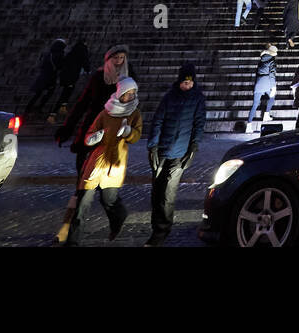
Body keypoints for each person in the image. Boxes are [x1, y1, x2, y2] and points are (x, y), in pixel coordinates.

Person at [62, 76, 142, 245]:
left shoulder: (134, 113)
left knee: (109, 200)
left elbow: (136, 136)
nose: (131, 96)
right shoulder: (105, 112)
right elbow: (89, 134)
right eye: (128, 93)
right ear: (120, 93)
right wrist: (93, 137)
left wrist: (128, 131)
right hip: (96, 162)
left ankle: (119, 217)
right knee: (82, 205)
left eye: (134, 93)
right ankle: (72, 242)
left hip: (115, 163)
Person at [143, 62, 204, 247]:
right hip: (162, 151)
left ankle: (162, 229)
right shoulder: (169, 97)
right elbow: (158, 120)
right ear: (179, 82)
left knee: (168, 193)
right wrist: (152, 146)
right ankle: (157, 225)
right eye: (184, 82)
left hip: (180, 153)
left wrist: (193, 146)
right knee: (157, 191)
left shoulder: (198, 99)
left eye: (190, 82)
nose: (187, 85)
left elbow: (199, 124)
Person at [56, 45, 132, 176]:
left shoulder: (129, 79)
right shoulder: (98, 77)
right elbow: (83, 102)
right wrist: (68, 127)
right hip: (95, 119)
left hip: (115, 121)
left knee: (110, 157)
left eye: (122, 58)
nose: (119, 61)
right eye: (115, 58)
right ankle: (81, 187)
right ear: (108, 59)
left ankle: (107, 192)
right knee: (84, 153)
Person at [25, 38, 66, 114]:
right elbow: (60, 66)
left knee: (38, 93)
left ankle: (29, 107)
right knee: (49, 93)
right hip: (51, 77)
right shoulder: (60, 55)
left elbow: (42, 64)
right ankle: (39, 107)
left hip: (42, 76)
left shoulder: (48, 53)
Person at [51, 39, 90, 118]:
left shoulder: (71, 53)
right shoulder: (82, 52)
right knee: (66, 93)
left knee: (66, 91)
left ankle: (61, 108)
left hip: (66, 75)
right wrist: (87, 70)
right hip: (72, 76)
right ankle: (55, 111)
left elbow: (63, 63)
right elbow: (85, 62)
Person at [247, 44, 278, 128]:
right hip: (267, 82)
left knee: (255, 104)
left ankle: (249, 125)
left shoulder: (261, 60)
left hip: (259, 83)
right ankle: (266, 114)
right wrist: (273, 86)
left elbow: (256, 73)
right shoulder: (272, 61)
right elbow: (272, 75)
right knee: (272, 97)